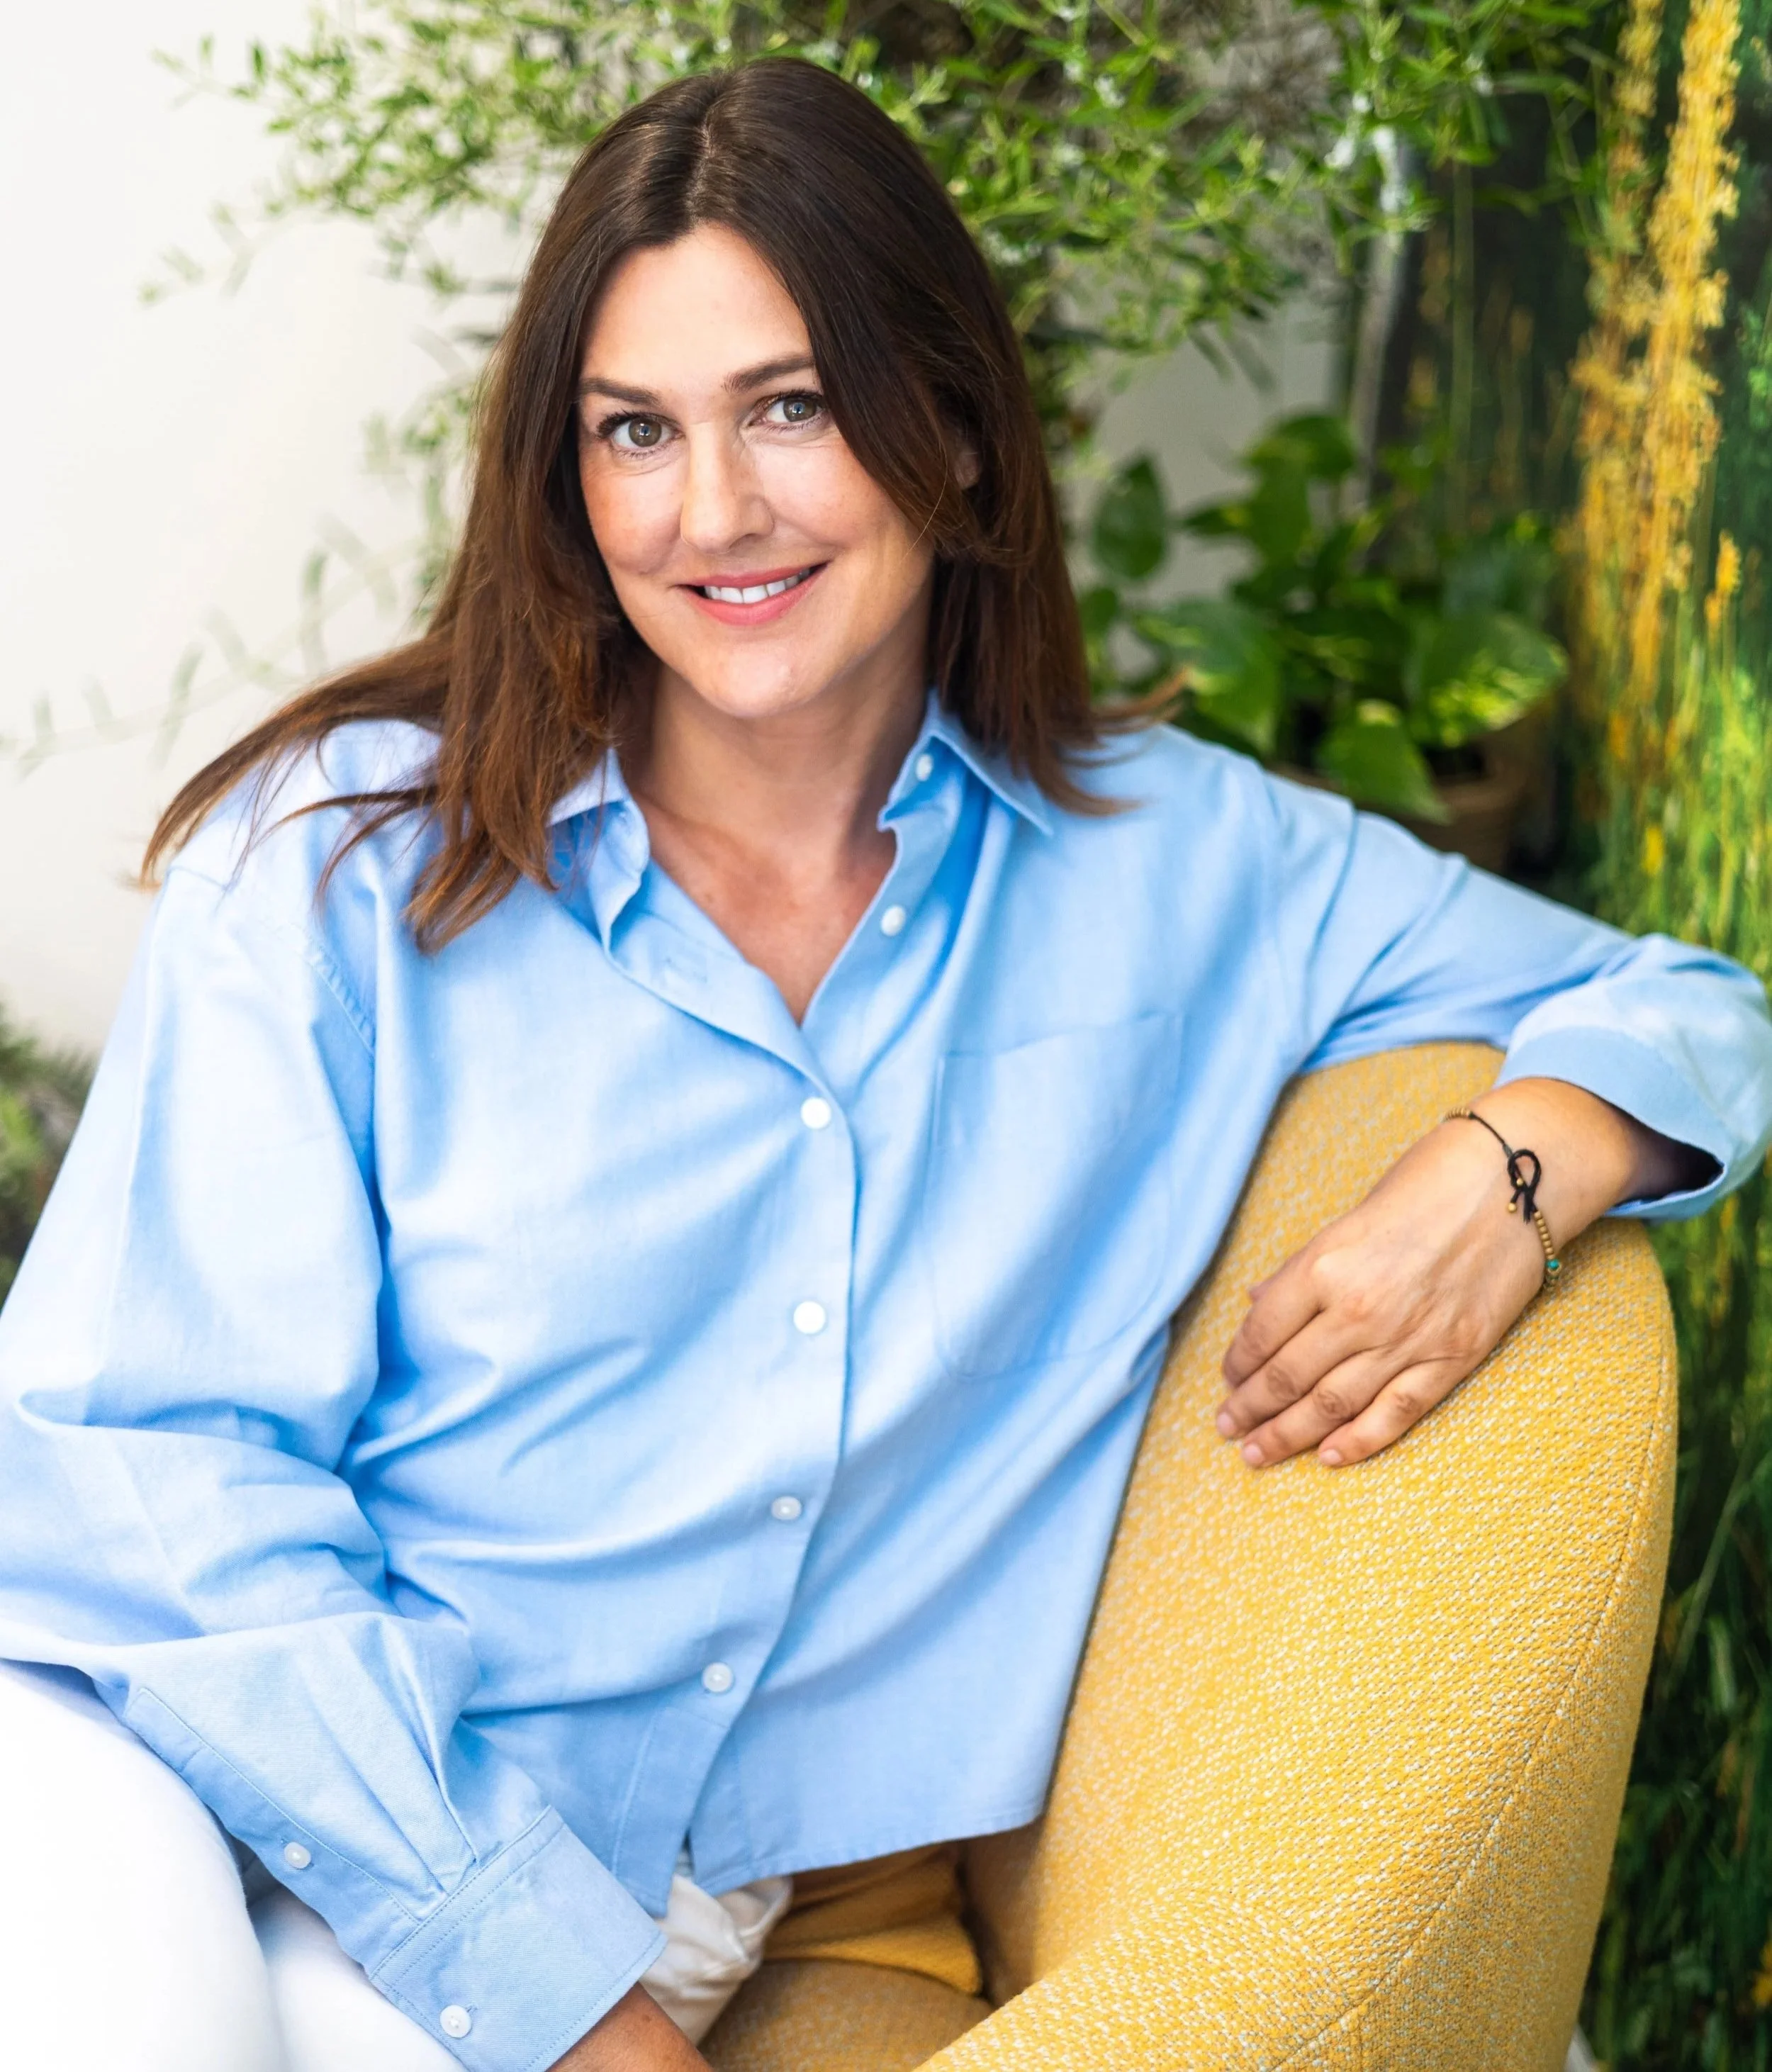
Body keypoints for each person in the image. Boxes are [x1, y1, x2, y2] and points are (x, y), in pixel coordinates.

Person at [0, 55, 1767, 2072]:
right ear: (567, 484)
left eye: (792, 406)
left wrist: (1519, 1164)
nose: (714, 510)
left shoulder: (1185, 872)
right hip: (159, 1759)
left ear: (957, 430)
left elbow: (1695, 999)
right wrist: (554, 1994)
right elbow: (152, 1465)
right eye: (635, 430)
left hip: (625, 1892)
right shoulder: (339, 861)